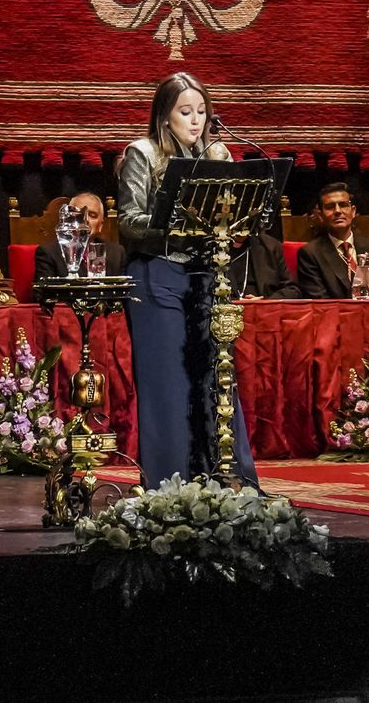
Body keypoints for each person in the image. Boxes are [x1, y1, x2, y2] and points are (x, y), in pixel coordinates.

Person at [117, 71, 257, 486]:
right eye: (185, 112)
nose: (196, 121)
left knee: (216, 376)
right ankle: (168, 485)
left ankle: (226, 477)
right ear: (164, 117)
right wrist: (175, 226)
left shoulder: (217, 154)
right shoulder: (142, 152)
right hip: (156, 275)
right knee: (168, 387)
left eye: (202, 112)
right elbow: (128, 223)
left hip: (206, 276)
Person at [297, 182, 369, 299]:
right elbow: (321, 304)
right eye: (330, 207)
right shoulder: (310, 254)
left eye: (343, 205)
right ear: (320, 216)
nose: (337, 211)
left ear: (353, 212)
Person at [33, 190, 126, 296]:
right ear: (68, 218)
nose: (85, 219)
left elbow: (121, 297)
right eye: (80, 213)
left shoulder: (117, 253)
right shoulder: (48, 253)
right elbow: (43, 298)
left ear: (100, 225)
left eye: (92, 215)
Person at [227, 228, 301, 300]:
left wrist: (264, 301)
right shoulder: (216, 248)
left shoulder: (270, 246)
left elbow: (292, 290)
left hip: (266, 309)